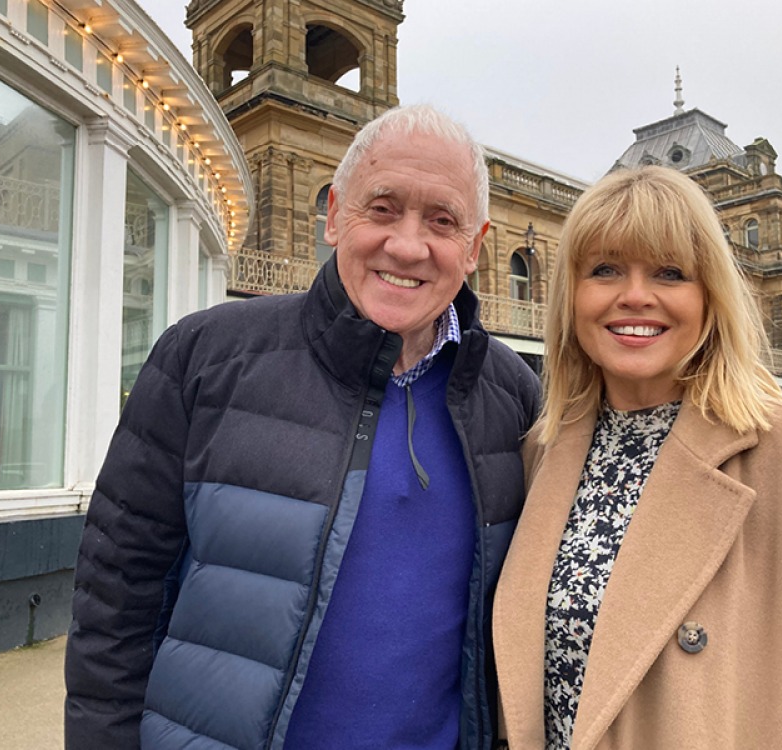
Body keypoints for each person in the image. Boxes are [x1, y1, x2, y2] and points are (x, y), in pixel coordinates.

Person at [65, 104, 542, 750]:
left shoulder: (513, 394)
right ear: (334, 214)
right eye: (381, 208)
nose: (406, 244)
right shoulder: (203, 359)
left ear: (476, 247)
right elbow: (114, 607)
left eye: (441, 220)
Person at [492, 166, 782, 749]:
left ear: (709, 295)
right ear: (572, 297)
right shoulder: (541, 454)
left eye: (670, 272)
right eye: (605, 270)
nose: (634, 295)